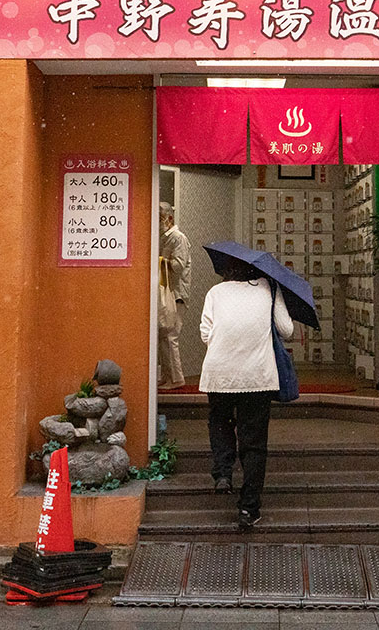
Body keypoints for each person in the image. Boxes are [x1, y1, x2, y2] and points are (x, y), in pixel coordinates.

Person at [199, 263, 294, 530]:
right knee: (253, 441)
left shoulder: (215, 292)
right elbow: (286, 330)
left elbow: (205, 332)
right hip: (257, 377)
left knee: (220, 421)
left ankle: (223, 473)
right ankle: (248, 508)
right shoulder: (268, 289)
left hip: (220, 374)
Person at [158, 203, 191, 390]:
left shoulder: (178, 238)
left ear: (169, 218)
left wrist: (159, 259)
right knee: (163, 334)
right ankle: (166, 375)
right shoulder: (163, 238)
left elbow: (178, 266)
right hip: (166, 292)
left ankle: (177, 379)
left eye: (159, 217)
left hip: (177, 293)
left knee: (171, 335)